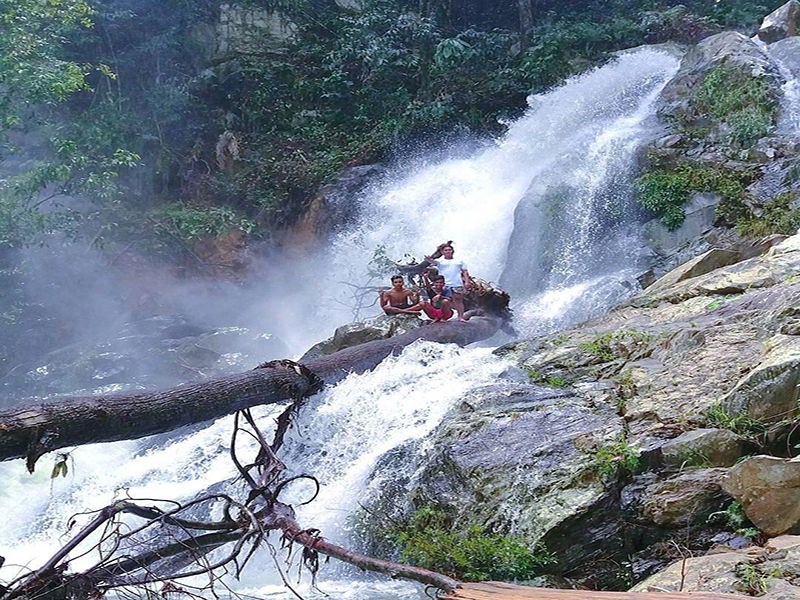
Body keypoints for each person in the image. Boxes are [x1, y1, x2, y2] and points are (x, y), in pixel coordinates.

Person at [424, 244, 470, 321]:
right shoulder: (440, 261)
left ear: (453, 251)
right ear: (442, 252)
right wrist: (428, 259)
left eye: (449, 250)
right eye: (446, 250)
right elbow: (433, 262)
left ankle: (460, 317)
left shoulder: (459, 261)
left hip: (456, 282)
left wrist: (467, 282)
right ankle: (440, 316)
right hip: (443, 283)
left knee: (458, 300)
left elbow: (465, 272)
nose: (448, 251)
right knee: (440, 299)